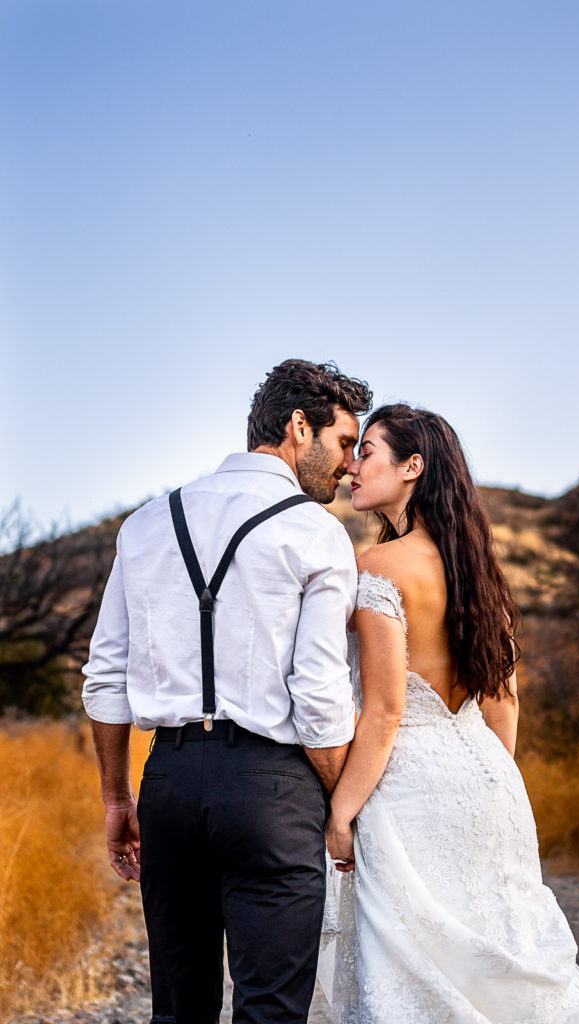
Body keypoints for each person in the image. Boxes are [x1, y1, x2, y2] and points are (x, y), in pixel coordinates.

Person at [82, 358, 373, 1024]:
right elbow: (319, 694)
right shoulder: (316, 533)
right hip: (273, 789)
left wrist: (117, 796)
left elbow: (105, 675)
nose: (348, 463)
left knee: (178, 1010)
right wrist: (342, 805)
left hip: (170, 785)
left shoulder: (146, 523)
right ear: (299, 426)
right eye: (343, 442)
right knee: (270, 1008)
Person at [320, 404, 579, 1024]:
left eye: (367, 451)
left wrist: (340, 814)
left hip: (410, 790)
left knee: (417, 967)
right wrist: (485, 783)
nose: (351, 467)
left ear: (411, 467)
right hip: (489, 777)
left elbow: (383, 714)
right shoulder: (480, 570)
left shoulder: (376, 569)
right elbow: (504, 702)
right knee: (498, 950)